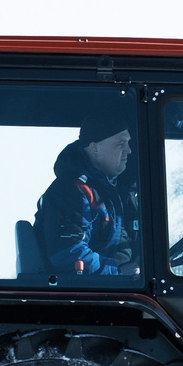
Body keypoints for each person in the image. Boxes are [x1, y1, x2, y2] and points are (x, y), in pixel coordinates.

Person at [33, 119, 141, 278]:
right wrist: (117, 273)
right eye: (120, 144)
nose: (129, 150)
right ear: (95, 147)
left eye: (128, 143)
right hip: (84, 295)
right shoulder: (71, 191)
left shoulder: (117, 193)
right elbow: (68, 253)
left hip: (116, 287)